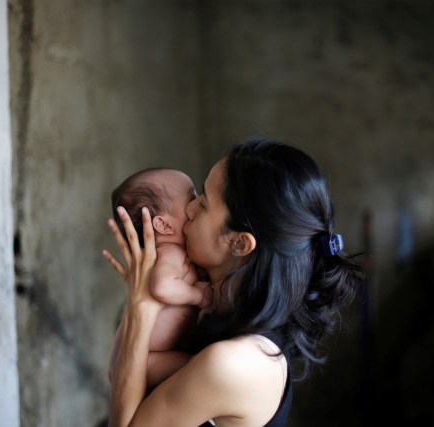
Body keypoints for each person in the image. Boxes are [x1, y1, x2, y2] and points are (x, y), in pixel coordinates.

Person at [103, 138, 364, 427]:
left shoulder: (233, 363)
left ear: (239, 243)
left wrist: (141, 304)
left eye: (202, 203)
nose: (189, 210)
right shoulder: (224, 313)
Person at [107, 168, 213, 389]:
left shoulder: (173, 256)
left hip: (140, 356)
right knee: (198, 366)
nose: (197, 204)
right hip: (144, 359)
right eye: (192, 198)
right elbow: (162, 286)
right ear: (163, 225)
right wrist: (198, 295)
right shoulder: (169, 254)